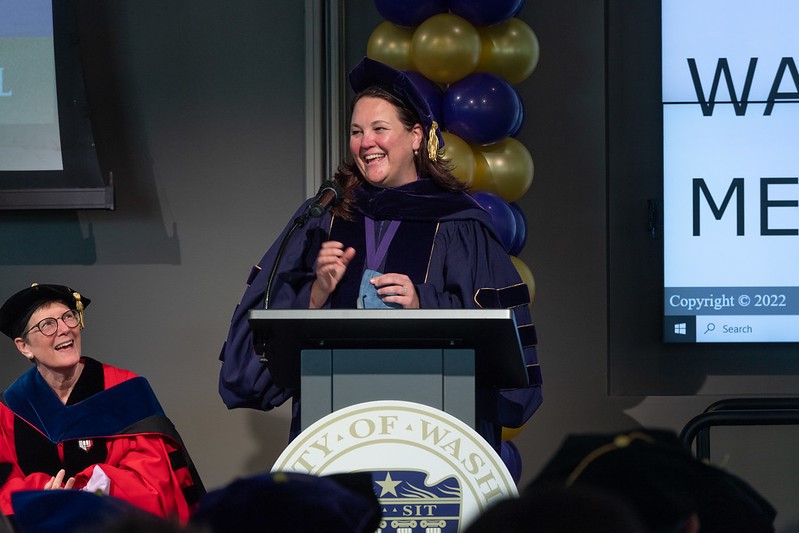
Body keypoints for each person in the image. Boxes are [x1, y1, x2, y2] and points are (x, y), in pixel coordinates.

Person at [218, 56, 543, 454]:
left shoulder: (459, 224)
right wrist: (315, 296)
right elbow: (256, 349)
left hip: (434, 442)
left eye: (379, 129)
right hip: (333, 438)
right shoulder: (322, 217)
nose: (365, 142)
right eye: (356, 131)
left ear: (416, 136)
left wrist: (424, 302)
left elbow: (503, 346)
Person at [0, 283, 204, 526]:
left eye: (68, 317)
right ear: (24, 347)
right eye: (47, 325)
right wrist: (42, 494)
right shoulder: (11, 408)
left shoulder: (125, 390)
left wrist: (89, 493)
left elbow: (155, 481)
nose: (65, 329)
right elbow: (5, 485)